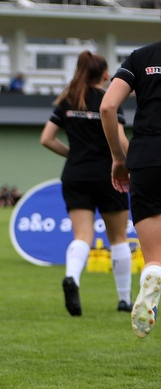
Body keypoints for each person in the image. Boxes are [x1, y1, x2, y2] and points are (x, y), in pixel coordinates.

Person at [40, 51, 131, 316]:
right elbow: (122, 140)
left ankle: (72, 278)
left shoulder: (67, 100)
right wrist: (134, 165)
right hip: (108, 174)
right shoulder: (109, 100)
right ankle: (124, 299)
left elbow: (46, 138)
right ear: (105, 75)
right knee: (118, 238)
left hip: (75, 173)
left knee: (82, 236)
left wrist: (74, 155)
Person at [101, 38, 161, 338]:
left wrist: (118, 158)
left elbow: (108, 106)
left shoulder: (141, 57)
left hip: (147, 159)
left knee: (155, 256)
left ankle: (152, 273)